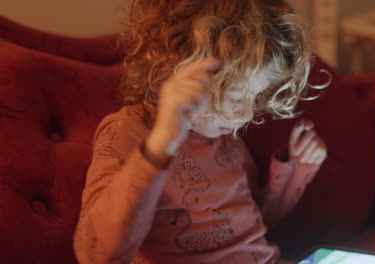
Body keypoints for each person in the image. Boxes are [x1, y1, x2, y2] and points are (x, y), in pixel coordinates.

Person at [73, 0, 329, 263]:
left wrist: (296, 167)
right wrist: (161, 144)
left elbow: (249, 227)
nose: (247, 114)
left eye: (254, 98)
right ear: (175, 70)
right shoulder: (127, 132)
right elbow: (96, 254)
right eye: (234, 97)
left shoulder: (224, 137)